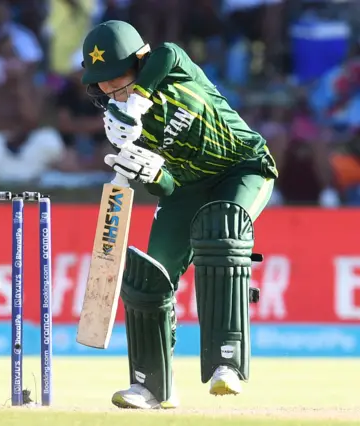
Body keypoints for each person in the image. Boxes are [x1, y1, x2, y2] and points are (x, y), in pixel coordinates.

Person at [80, 20, 279, 409]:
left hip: (242, 167)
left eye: (118, 81)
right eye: (104, 87)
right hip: (187, 188)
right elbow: (169, 187)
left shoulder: (172, 70)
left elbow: (170, 50)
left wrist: (137, 98)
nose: (112, 94)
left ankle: (227, 362)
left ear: (140, 63)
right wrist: (150, 173)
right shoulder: (124, 129)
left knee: (224, 230)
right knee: (149, 273)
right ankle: (152, 385)